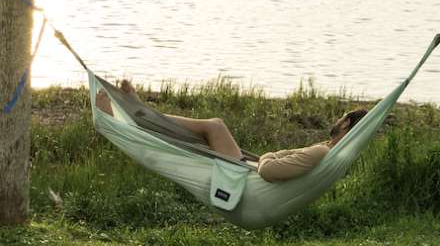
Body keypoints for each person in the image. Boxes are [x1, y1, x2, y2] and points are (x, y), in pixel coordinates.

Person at [95, 81, 367, 183]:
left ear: (345, 125)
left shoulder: (321, 151)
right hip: (245, 168)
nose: (337, 118)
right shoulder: (328, 151)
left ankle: (134, 116)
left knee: (212, 127)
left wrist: (268, 156)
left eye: (341, 117)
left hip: (243, 175)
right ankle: (143, 114)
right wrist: (269, 158)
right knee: (205, 132)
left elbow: (269, 170)